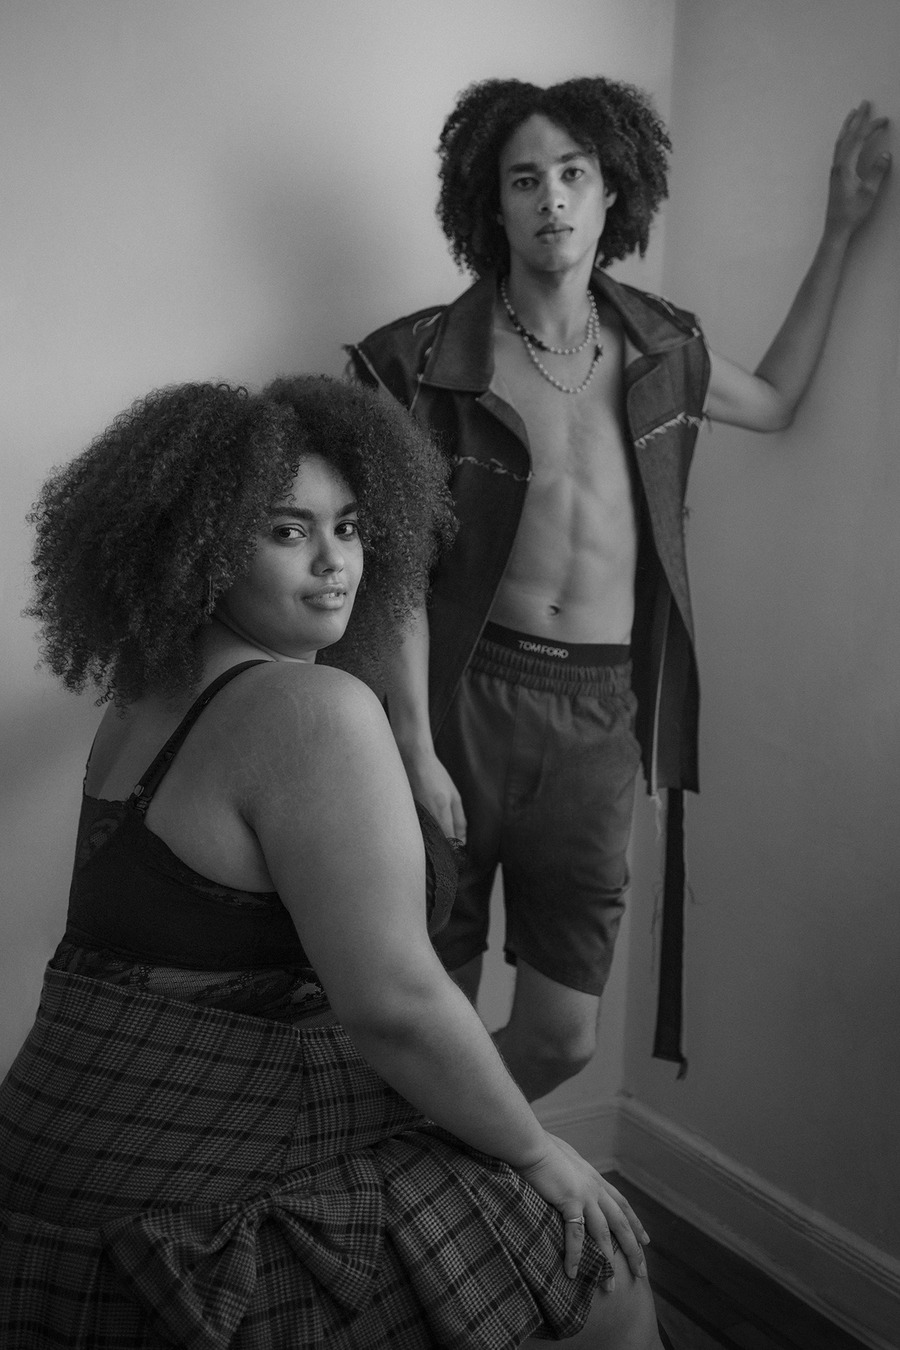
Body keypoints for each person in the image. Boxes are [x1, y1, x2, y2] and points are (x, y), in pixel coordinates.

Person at [0, 376, 671, 1348]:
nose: (335, 562)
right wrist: (537, 1152)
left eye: (350, 527)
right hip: (178, 1206)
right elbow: (395, 1003)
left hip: (50, 1170)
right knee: (607, 1280)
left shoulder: (144, 700)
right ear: (200, 545)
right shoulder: (308, 711)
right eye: (287, 531)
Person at [346, 79, 891, 1097]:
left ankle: (415, 1158)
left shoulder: (664, 350)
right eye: (524, 179)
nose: (551, 196)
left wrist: (839, 234)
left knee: (561, 1039)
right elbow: (395, 574)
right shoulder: (419, 362)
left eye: (573, 173)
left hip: (598, 712)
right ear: (492, 204)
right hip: (458, 698)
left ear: (612, 194)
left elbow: (776, 399)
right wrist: (413, 746)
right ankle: (427, 1182)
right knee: (430, 1014)